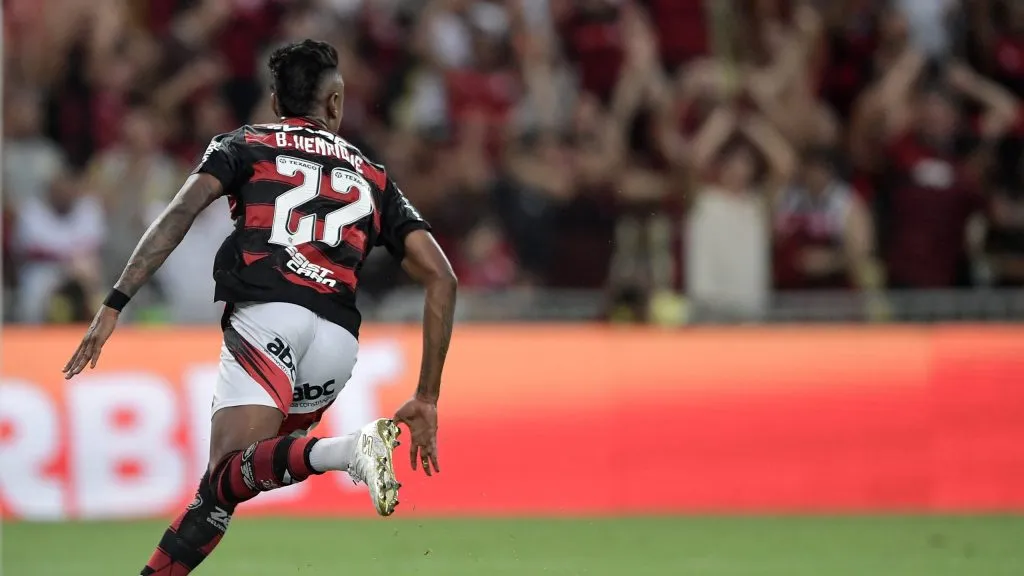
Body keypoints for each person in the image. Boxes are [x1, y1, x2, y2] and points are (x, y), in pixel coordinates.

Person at [62, 40, 457, 576]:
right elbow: (443, 278)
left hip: (268, 318)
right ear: (335, 103)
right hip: (337, 347)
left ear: (275, 101)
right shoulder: (373, 175)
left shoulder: (243, 143)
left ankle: (345, 451)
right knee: (226, 489)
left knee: (228, 471)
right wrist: (427, 396)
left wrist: (115, 302)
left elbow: (179, 214)